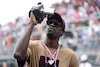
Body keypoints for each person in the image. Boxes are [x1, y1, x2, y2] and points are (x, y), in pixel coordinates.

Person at [14, 7, 79, 67]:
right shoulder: (33, 46)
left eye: (56, 24)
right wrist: (32, 22)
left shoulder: (70, 56)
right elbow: (18, 55)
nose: (52, 24)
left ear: (62, 32)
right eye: (49, 22)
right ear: (46, 27)